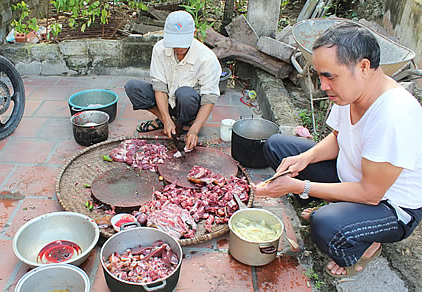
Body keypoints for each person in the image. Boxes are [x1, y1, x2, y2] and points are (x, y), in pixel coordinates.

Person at [251, 22, 422, 278]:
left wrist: (301, 186)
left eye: (329, 76)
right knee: (278, 146)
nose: (322, 85)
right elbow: (337, 137)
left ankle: (366, 244)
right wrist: (304, 158)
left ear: (363, 67)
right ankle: (337, 205)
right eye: (319, 75)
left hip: (389, 206)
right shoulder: (350, 91)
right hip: (352, 176)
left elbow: (370, 194)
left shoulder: (393, 116)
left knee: (327, 226)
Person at [124, 10, 221, 150]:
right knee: (133, 87)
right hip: (167, 100)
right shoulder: (160, 48)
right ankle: (165, 120)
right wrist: (166, 119)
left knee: (185, 94)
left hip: (188, 105)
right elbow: (159, 87)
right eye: (174, 42)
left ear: (193, 34)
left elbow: (209, 98)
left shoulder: (207, 58)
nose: (178, 47)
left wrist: (195, 130)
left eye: (182, 42)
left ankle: (186, 123)